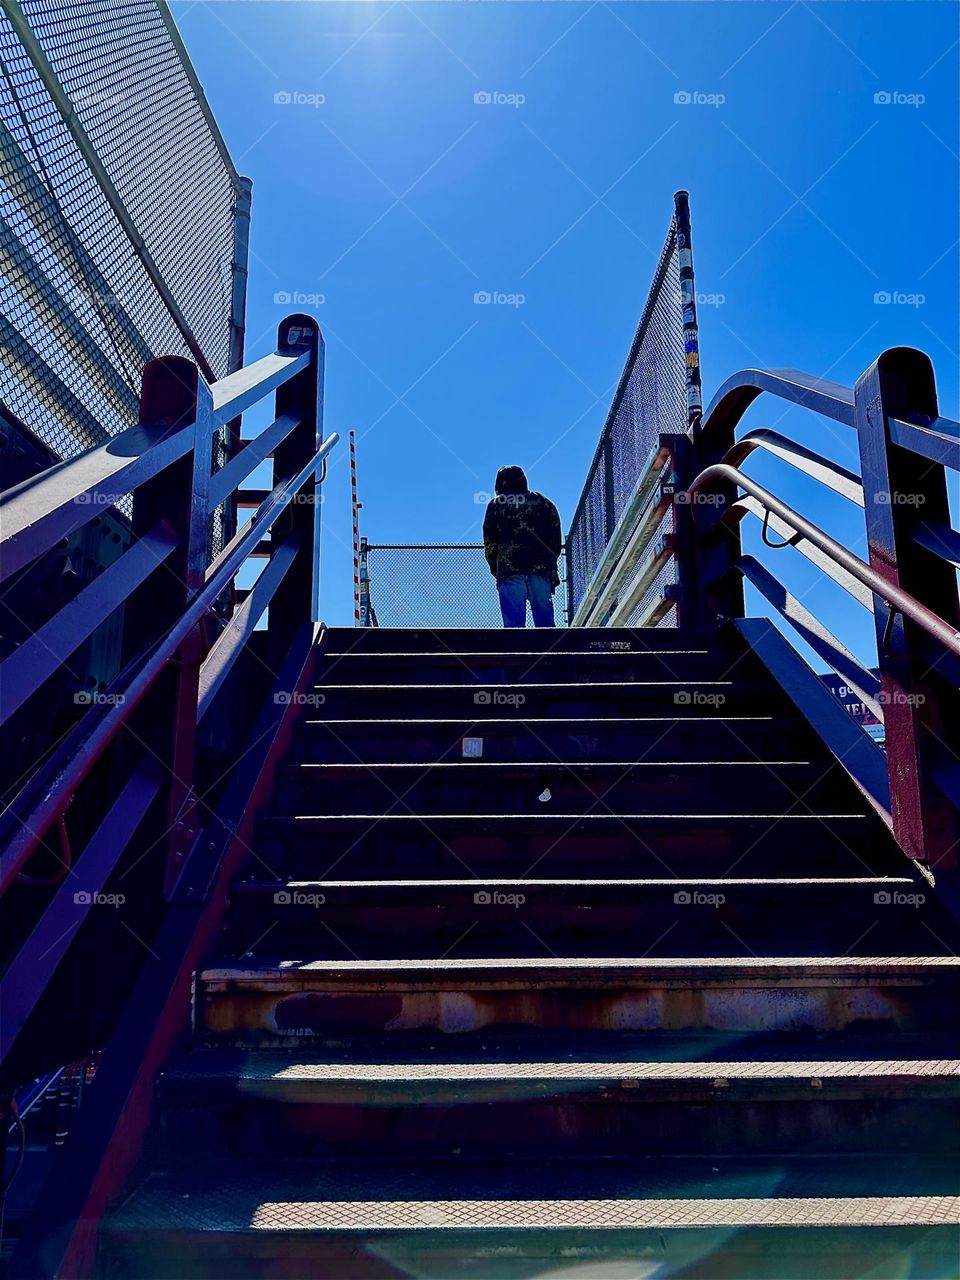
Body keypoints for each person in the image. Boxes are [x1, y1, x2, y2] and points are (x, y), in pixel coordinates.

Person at [482, 465, 562, 627]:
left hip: (509, 568)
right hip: (540, 568)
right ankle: (550, 651)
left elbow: (490, 542)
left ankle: (516, 651)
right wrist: (549, 561)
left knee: (513, 626)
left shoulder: (496, 504)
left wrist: (497, 568)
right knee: (545, 623)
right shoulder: (543, 502)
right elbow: (554, 537)